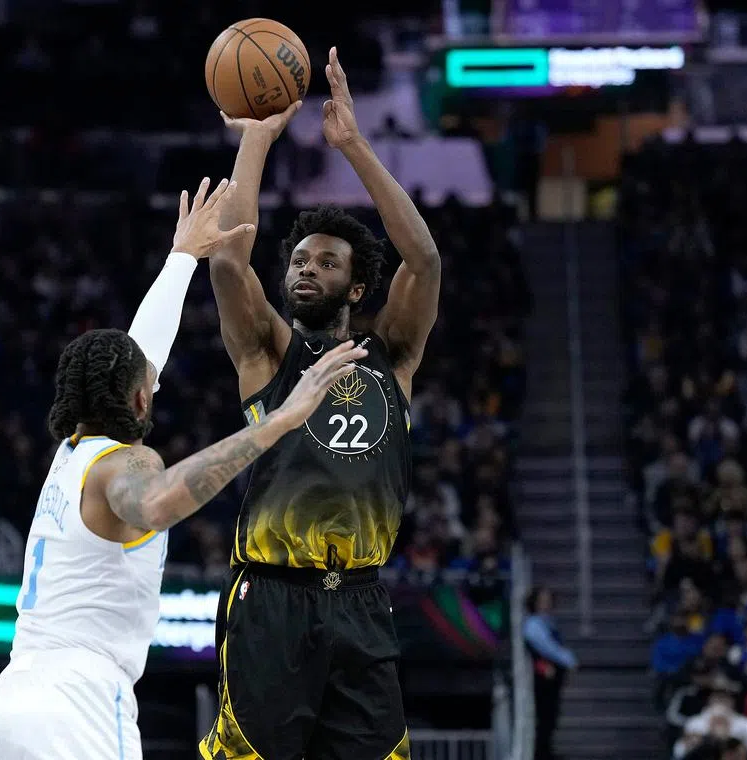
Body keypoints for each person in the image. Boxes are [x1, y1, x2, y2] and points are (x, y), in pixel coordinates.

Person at [0, 178, 369, 760]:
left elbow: (139, 355)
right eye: (149, 384)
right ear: (141, 401)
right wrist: (277, 422)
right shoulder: (127, 462)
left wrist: (181, 258)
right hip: (76, 703)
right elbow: (152, 503)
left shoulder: (69, 456)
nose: (155, 381)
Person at [200, 47, 442, 760]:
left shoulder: (390, 358)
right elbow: (225, 259)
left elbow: (423, 260)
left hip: (361, 599)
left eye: (326, 261)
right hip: (271, 598)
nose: (306, 268)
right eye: (300, 259)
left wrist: (353, 146)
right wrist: (256, 137)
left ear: (357, 288)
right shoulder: (269, 355)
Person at [523, 587, 578, 760]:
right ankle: (541, 753)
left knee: (551, 716)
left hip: (553, 677)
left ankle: (546, 750)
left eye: (548, 600)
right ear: (535, 603)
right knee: (545, 716)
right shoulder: (533, 624)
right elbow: (547, 648)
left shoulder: (548, 622)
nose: (546, 604)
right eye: (542, 600)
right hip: (543, 677)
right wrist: (568, 659)